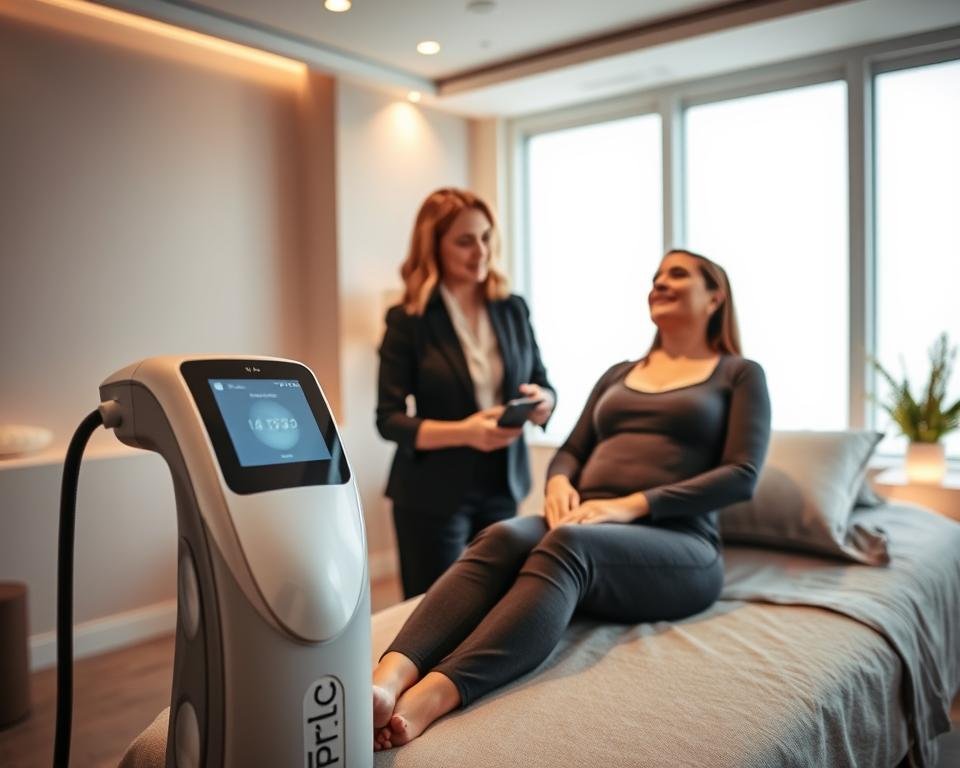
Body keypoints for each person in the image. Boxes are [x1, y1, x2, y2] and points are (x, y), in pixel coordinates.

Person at [371, 248, 772, 750]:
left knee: (570, 547)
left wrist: (631, 505)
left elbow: (742, 475)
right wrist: (559, 483)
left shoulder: (738, 373)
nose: (659, 282)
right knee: (499, 536)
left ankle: (433, 695)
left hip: (678, 541)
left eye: (677, 274)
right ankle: (386, 680)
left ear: (715, 295)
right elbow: (572, 450)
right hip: (586, 517)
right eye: (655, 276)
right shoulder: (619, 373)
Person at [376, 188, 556, 599]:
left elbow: (543, 380)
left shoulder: (513, 309)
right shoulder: (409, 319)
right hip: (431, 493)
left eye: (486, 237)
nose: (481, 251)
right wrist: (465, 431)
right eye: (464, 241)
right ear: (433, 246)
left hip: (502, 484)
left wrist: (544, 401)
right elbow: (388, 419)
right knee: (430, 611)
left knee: (494, 605)